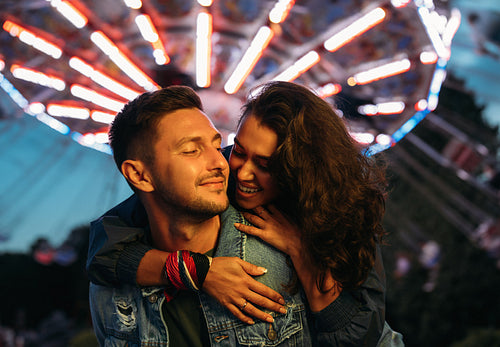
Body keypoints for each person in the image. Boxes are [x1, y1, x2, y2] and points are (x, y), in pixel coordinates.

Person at [88, 83, 403, 346]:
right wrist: (200, 271)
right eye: (237, 150)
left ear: (299, 174)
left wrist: (303, 251)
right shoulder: (216, 174)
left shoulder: (337, 211)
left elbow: (364, 331)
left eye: (265, 166)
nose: (235, 171)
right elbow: (105, 244)